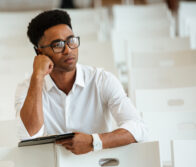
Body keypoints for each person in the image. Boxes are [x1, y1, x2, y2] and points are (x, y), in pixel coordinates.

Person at [15, 9, 148, 155]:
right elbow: (29, 136)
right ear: (40, 52)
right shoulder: (28, 87)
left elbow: (138, 128)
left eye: (71, 40)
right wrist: (38, 76)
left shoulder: (102, 80)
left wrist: (94, 141)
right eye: (58, 44)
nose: (68, 50)